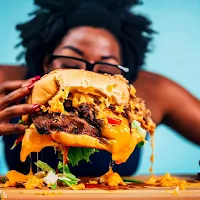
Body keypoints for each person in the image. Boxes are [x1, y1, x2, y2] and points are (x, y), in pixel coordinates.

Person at [1, 0, 200, 176]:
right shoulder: (6, 80)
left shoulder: (153, 91)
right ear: (47, 62)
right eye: (70, 63)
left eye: (105, 69)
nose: (86, 75)